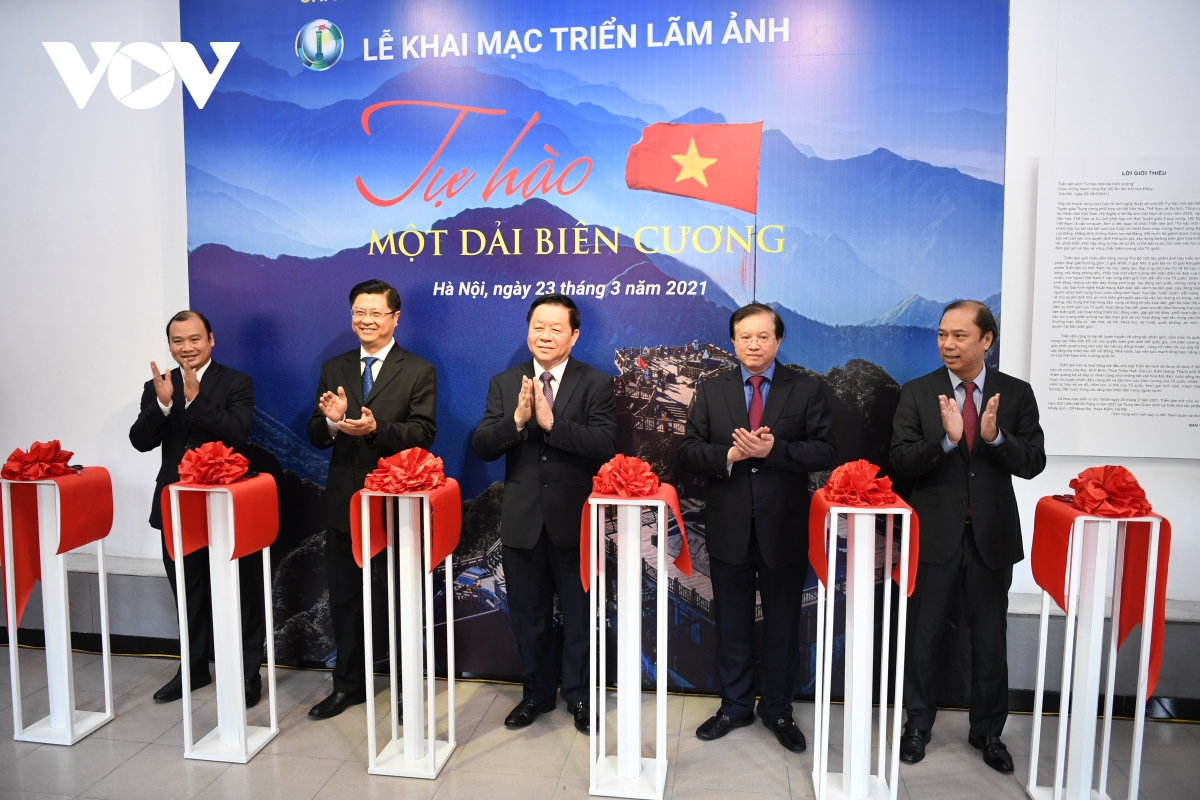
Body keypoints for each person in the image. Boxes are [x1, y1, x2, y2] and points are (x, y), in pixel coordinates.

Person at [890, 300, 1045, 773]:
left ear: (987, 340)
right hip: (934, 534)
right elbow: (900, 461)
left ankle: (989, 732)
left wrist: (996, 438)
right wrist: (947, 441)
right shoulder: (918, 392)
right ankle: (917, 726)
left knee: (990, 638)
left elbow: (1033, 463)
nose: (947, 344)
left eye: (959, 335)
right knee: (923, 634)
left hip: (991, 537)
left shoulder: (1015, 393)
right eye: (942, 334)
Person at [677, 302, 838, 752]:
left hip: (784, 528)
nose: (754, 344)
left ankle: (778, 711)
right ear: (733, 342)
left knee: (783, 626)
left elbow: (826, 451)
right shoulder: (712, 390)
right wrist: (728, 456)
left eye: (763, 336)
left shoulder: (805, 389)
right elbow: (688, 451)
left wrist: (774, 451)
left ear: (778, 340)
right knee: (732, 623)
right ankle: (734, 706)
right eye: (745, 337)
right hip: (728, 526)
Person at [472, 293, 617, 733]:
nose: (546, 335)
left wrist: (553, 425)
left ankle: (578, 695)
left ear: (574, 336)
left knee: (579, 617)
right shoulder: (505, 382)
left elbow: (605, 446)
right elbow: (483, 446)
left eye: (556, 328)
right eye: (538, 326)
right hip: (523, 523)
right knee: (528, 617)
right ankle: (535, 694)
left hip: (575, 522)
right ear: (528, 330)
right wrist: (517, 421)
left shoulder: (596, 383)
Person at [306, 279, 437, 720]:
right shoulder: (334, 367)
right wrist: (331, 423)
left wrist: (376, 429)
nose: (366, 320)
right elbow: (315, 434)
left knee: (398, 599)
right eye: (359, 312)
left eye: (376, 313)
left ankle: (405, 690)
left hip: (396, 505)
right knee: (345, 599)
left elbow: (423, 432)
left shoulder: (418, 370)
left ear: (395, 318)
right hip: (346, 502)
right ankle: (348, 686)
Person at [129, 310, 264, 707]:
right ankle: (193, 669)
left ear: (211, 339)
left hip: (226, 505)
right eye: (178, 341)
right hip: (177, 506)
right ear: (170, 344)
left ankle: (246, 673)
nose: (186, 347)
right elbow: (140, 441)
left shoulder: (237, 382)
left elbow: (238, 432)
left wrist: (195, 400)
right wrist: (163, 405)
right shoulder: (158, 385)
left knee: (241, 592)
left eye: (194, 339)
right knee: (188, 592)